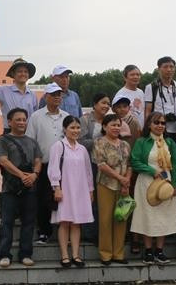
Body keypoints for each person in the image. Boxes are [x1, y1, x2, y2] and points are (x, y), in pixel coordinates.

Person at [130, 111, 176, 264]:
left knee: (163, 216)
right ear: (149, 124)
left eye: (162, 123)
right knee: (148, 216)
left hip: (165, 184)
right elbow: (134, 161)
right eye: (156, 122)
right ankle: (148, 251)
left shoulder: (170, 142)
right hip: (146, 182)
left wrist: (175, 185)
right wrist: (152, 171)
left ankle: (159, 250)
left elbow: (174, 165)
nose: (160, 125)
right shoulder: (142, 141)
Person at [0, 108, 42, 268]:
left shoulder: (32, 141)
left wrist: (34, 175)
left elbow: (38, 160)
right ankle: (4, 254)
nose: (22, 122)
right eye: (18, 119)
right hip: (10, 189)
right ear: (10, 122)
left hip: (30, 188)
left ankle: (25, 254)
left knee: (28, 222)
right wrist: (22, 175)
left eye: (24, 119)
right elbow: (4, 161)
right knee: (6, 222)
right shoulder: (3, 140)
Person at [25, 82, 69, 244]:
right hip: (44, 164)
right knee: (43, 199)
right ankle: (44, 231)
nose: (57, 97)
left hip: (64, 165)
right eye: (53, 94)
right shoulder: (36, 117)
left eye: (59, 94)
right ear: (46, 97)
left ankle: (63, 230)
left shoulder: (66, 116)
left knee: (64, 198)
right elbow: (30, 141)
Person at [48, 115, 94, 268]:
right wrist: (57, 188)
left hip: (80, 190)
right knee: (65, 222)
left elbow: (88, 171)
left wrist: (90, 190)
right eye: (72, 127)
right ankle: (65, 255)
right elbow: (53, 168)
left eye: (78, 128)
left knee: (76, 223)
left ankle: (76, 254)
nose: (76, 131)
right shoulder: (59, 146)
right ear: (65, 129)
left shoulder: (82, 149)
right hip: (65, 189)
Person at [92, 113, 133, 265]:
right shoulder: (99, 142)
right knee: (105, 219)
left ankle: (118, 253)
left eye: (118, 125)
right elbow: (101, 165)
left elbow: (129, 164)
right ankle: (106, 254)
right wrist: (120, 178)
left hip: (123, 186)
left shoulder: (125, 144)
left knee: (121, 217)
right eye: (113, 125)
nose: (116, 128)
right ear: (104, 126)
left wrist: (126, 180)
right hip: (106, 184)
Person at [78, 93, 110, 244]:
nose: (106, 106)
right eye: (103, 103)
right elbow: (81, 142)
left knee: (102, 200)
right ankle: (89, 233)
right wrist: (101, 140)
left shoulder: (110, 121)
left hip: (106, 166)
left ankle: (101, 233)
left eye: (108, 103)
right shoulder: (85, 120)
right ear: (95, 104)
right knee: (89, 199)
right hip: (89, 164)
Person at [144, 56, 176, 141]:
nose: (169, 70)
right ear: (159, 69)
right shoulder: (151, 87)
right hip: (159, 130)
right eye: (165, 67)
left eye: (171, 67)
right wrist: (148, 129)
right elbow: (148, 111)